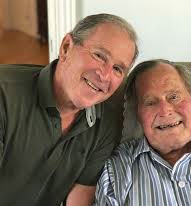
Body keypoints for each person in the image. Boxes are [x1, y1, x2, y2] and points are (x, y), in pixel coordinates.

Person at [0, 13, 138, 206]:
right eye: (99, 55)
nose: (105, 75)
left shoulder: (106, 123)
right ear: (66, 47)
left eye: (117, 69)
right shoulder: (4, 95)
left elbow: (80, 198)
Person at [95, 59, 191, 205]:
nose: (165, 110)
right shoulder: (116, 169)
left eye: (174, 97)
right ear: (138, 115)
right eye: (150, 102)